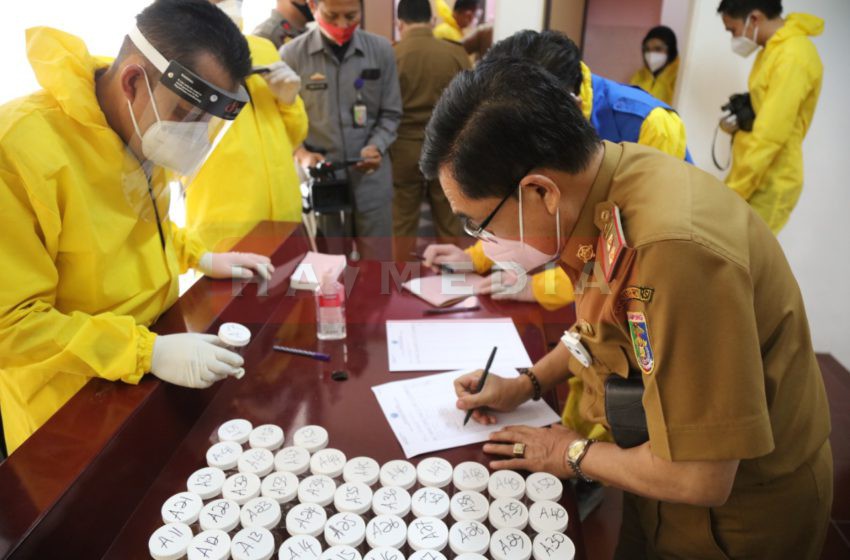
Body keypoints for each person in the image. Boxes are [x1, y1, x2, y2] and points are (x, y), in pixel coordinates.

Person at [421, 58, 832, 560]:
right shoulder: (604, 184)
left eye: (477, 223)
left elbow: (701, 476)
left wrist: (568, 453)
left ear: (539, 192)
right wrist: (526, 383)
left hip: (735, 522)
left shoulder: (673, 253)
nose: (482, 241)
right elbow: (597, 327)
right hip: (652, 471)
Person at [0, 0, 275, 455]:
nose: (195, 134)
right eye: (189, 114)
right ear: (133, 81)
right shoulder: (19, 152)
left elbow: (144, 224)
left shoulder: (142, 124)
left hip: (150, 364)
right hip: (69, 405)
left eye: (208, 121)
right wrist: (146, 353)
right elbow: (10, 325)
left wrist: (198, 255)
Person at [424, 30, 692, 314]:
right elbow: (513, 204)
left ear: (569, 106)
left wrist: (540, 288)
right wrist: (477, 258)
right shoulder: (538, 125)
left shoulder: (650, 125)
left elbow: (634, 247)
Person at [281, 0, 402, 260]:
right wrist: (301, 154)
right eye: (331, 15)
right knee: (330, 269)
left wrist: (377, 145)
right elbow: (281, 123)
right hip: (322, 183)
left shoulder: (381, 51)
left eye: (351, 15)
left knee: (378, 266)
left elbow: (391, 113)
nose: (342, 25)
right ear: (313, 6)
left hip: (371, 180)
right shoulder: (291, 56)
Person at [185, 0, 309, 252]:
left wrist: (289, 100)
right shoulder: (179, 55)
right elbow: (170, 155)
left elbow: (295, 136)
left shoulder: (263, 49)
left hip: (285, 213)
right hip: (227, 226)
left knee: (293, 288)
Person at [718, 0, 823, 234]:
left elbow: (771, 135)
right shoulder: (772, 50)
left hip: (770, 180)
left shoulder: (794, 55)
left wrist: (734, 190)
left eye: (732, 30)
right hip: (754, 172)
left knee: (740, 264)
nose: (733, 38)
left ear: (754, 19)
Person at [391, 0, 469, 260]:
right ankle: (451, 280)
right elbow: (472, 103)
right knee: (449, 216)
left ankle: (397, 282)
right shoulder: (455, 53)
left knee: (402, 220)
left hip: (402, 148)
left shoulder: (392, 54)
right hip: (446, 148)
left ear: (399, 24)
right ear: (433, 21)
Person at [629, 25, 680, 106]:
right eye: (647, 50)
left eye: (658, 49)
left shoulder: (680, 77)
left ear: (671, 51)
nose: (651, 54)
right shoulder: (639, 76)